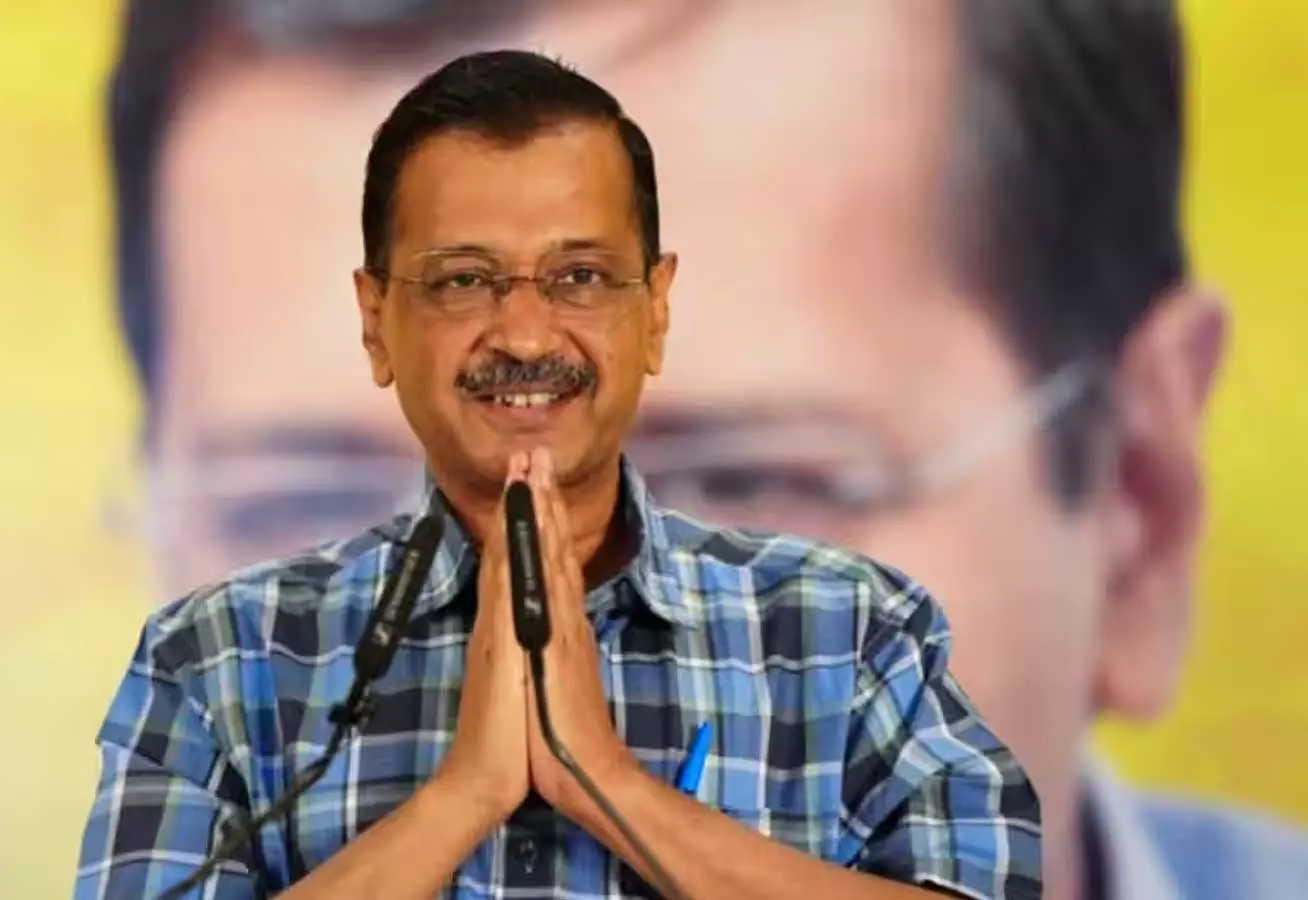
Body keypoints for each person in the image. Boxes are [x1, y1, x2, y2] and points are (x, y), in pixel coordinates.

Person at [100, 2, 1308, 898]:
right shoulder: (212, 659)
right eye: (303, 494)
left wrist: (608, 782)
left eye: (741, 478)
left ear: (1138, 507)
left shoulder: (867, 632)